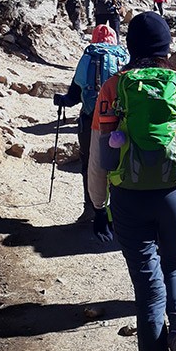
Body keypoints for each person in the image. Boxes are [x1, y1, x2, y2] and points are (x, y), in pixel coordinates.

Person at [87, 12, 176, 351]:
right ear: (165, 47)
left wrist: (98, 205)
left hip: (129, 197)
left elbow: (100, 152)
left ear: (131, 46)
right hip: (175, 193)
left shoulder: (113, 87)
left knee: (148, 292)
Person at [53, 25, 129, 223]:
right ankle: (118, 212)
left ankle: (91, 209)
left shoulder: (89, 56)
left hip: (91, 120)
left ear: (93, 39)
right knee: (118, 164)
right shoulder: (124, 58)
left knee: (89, 164)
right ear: (114, 39)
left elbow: (74, 95)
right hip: (119, 121)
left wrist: (62, 101)